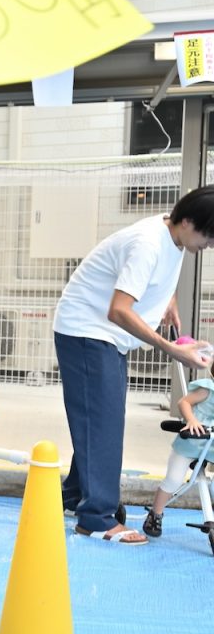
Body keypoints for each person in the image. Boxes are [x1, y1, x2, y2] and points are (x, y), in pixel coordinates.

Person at [53, 187, 214, 544]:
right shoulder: (148, 244)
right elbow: (119, 310)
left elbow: (155, 277)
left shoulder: (174, 237)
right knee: (104, 421)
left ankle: (74, 496)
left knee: (100, 417)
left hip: (103, 335)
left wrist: (166, 301)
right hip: (89, 331)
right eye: (209, 235)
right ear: (188, 221)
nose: (211, 244)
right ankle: (95, 518)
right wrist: (172, 350)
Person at [146, 376, 214, 537]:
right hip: (190, 442)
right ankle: (156, 513)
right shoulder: (207, 389)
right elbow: (184, 402)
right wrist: (191, 420)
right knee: (173, 480)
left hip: (211, 446)